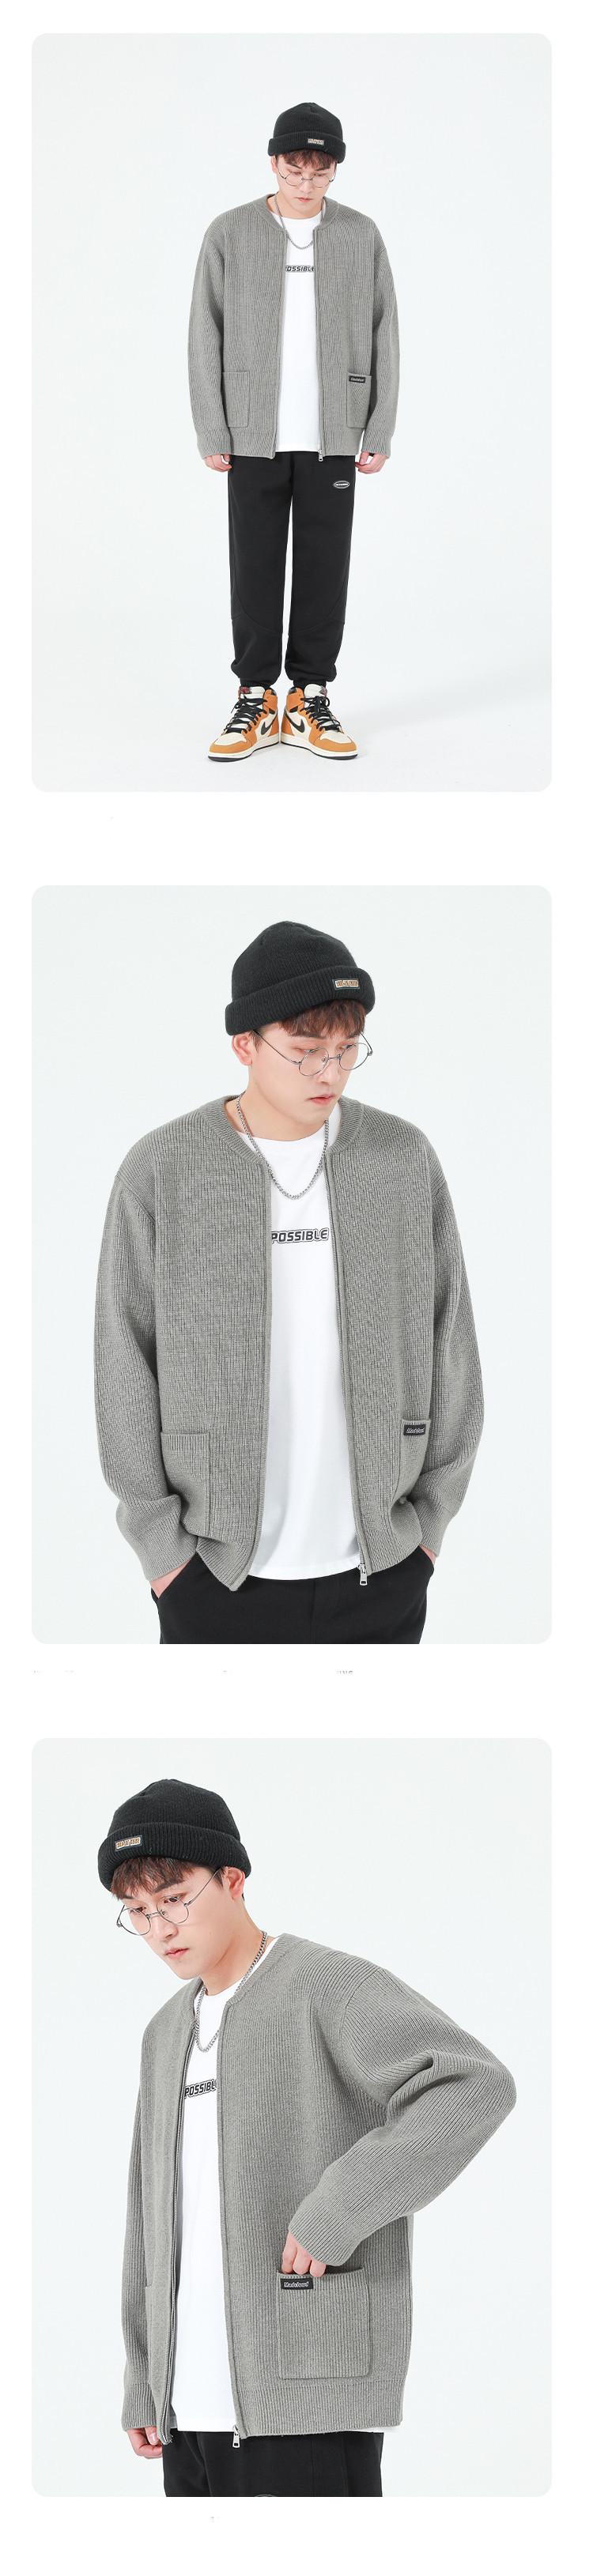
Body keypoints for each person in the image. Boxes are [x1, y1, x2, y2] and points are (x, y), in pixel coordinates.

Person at [99, 1776, 516, 2501]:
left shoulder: (326, 1986)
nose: (160, 1928)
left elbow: (472, 2083)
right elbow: (147, 2212)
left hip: (307, 2395)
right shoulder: (164, 2033)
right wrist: (145, 2375)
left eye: (175, 1898)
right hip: (184, 2412)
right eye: (138, 1911)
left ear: (233, 1879)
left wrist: (339, 2209)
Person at [95, 917, 484, 1646]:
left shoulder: (402, 1159)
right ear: (244, 1044)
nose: (329, 1073)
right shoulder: (162, 1169)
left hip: (384, 1569)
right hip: (213, 1575)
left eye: (346, 1050)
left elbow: (451, 1339)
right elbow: (124, 1359)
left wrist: (427, 1530)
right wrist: (164, 1554)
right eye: (305, 1052)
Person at [187, 102, 399, 761]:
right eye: (294, 168)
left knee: (324, 568)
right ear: (274, 162)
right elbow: (203, 333)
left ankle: (310, 696)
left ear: (335, 170)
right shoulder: (230, 231)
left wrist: (379, 425)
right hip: (251, 432)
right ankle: (255, 696)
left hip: (335, 433)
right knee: (253, 567)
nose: (306, 182)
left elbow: (385, 330)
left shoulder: (360, 234)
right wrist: (212, 426)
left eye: (320, 170)